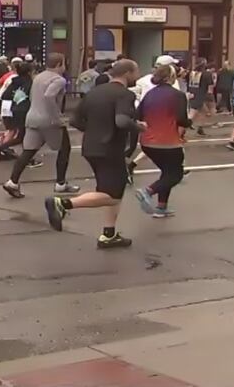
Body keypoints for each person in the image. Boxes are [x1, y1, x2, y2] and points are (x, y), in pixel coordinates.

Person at [44, 59, 144, 249]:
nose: (137, 77)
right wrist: (138, 126)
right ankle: (63, 204)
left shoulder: (94, 93)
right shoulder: (124, 94)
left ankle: (109, 233)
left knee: (110, 190)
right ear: (127, 73)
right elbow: (122, 121)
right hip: (110, 148)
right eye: (136, 72)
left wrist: (94, 131)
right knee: (112, 195)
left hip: (90, 147)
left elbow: (75, 120)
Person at [3, 53, 80, 198]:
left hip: (32, 117)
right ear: (59, 64)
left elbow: (33, 97)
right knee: (64, 149)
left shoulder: (38, 77)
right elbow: (50, 96)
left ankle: (12, 182)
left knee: (29, 151)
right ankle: (61, 184)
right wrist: (57, 115)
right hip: (50, 120)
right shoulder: (59, 80)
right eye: (64, 63)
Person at [134, 64, 191, 218]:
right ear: (170, 77)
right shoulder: (178, 95)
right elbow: (181, 119)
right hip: (168, 141)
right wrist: (189, 123)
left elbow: (138, 114)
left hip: (147, 142)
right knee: (176, 174)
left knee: (167, 172)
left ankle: (161, 207)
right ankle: (148, 191)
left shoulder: (150, 94)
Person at [0, 61, 32, 161]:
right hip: (25, 110)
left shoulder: (14, 81)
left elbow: (5, 95)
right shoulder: (29, 82)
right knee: (22, 136)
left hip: (15, 108)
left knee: (19, 133)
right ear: (29, 72)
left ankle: (4, 148)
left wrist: (15, 97)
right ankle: (1, 148)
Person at [187, 58, 211, 136]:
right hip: (200, 95)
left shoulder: (191, 73)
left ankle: (200, 128)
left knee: (205, 112)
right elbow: (210, 87)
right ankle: (183, 126)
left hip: (192, 93)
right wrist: (210, 97)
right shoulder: (207, 74)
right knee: (192, 114)